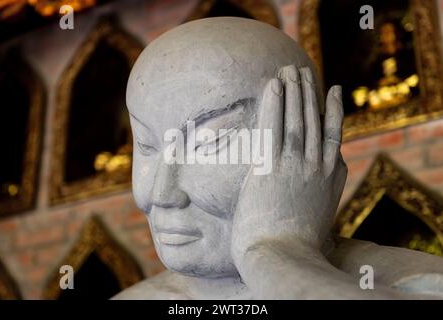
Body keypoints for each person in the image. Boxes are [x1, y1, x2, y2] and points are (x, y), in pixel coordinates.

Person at [114, 17, 443, 299]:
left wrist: (275, 253)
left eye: (209, 142)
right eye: (146, 145)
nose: (160, 194)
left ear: (307, 142)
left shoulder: (410, 281)